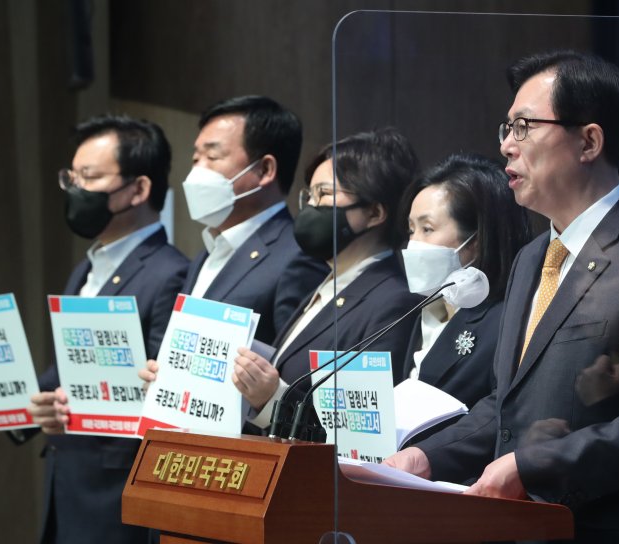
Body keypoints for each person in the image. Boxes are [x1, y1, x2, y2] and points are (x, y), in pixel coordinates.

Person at [385, 50, 619, 543]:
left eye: (524, 127)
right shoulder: (533, 257)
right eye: (507, 129)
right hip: (523, 528)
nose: (508, 148)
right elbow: (507, 404)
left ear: (589, 141)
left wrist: (535, 466)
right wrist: (427, 455)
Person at [0, 114, 189, 544]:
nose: (76, 190)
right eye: (72, 177)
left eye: (90, 177)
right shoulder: (86, 268)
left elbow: (162, 400)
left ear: (138, 189)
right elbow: (65, 370)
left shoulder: (170, 273)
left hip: (116, 497)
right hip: (67, 484)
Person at [231, 128, 423, 435]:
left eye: (325, 194)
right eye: (309, 195)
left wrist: (273, 400)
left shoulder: (393, 301)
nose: (311, 207)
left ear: (374, 212)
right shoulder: (327, 284)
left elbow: (363, 430)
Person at [178, 95, 328, 345]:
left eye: (212, 157)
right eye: (196, 159)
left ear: (265, 170)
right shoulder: (208, 252)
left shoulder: (298, 258)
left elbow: (294, 367)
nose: (198, 171)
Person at [399, 153, 531, 409]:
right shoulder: (425, 311)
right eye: (411, 230)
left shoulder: (507, 321)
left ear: (478, 239)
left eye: (427, 229)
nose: (413, 244)